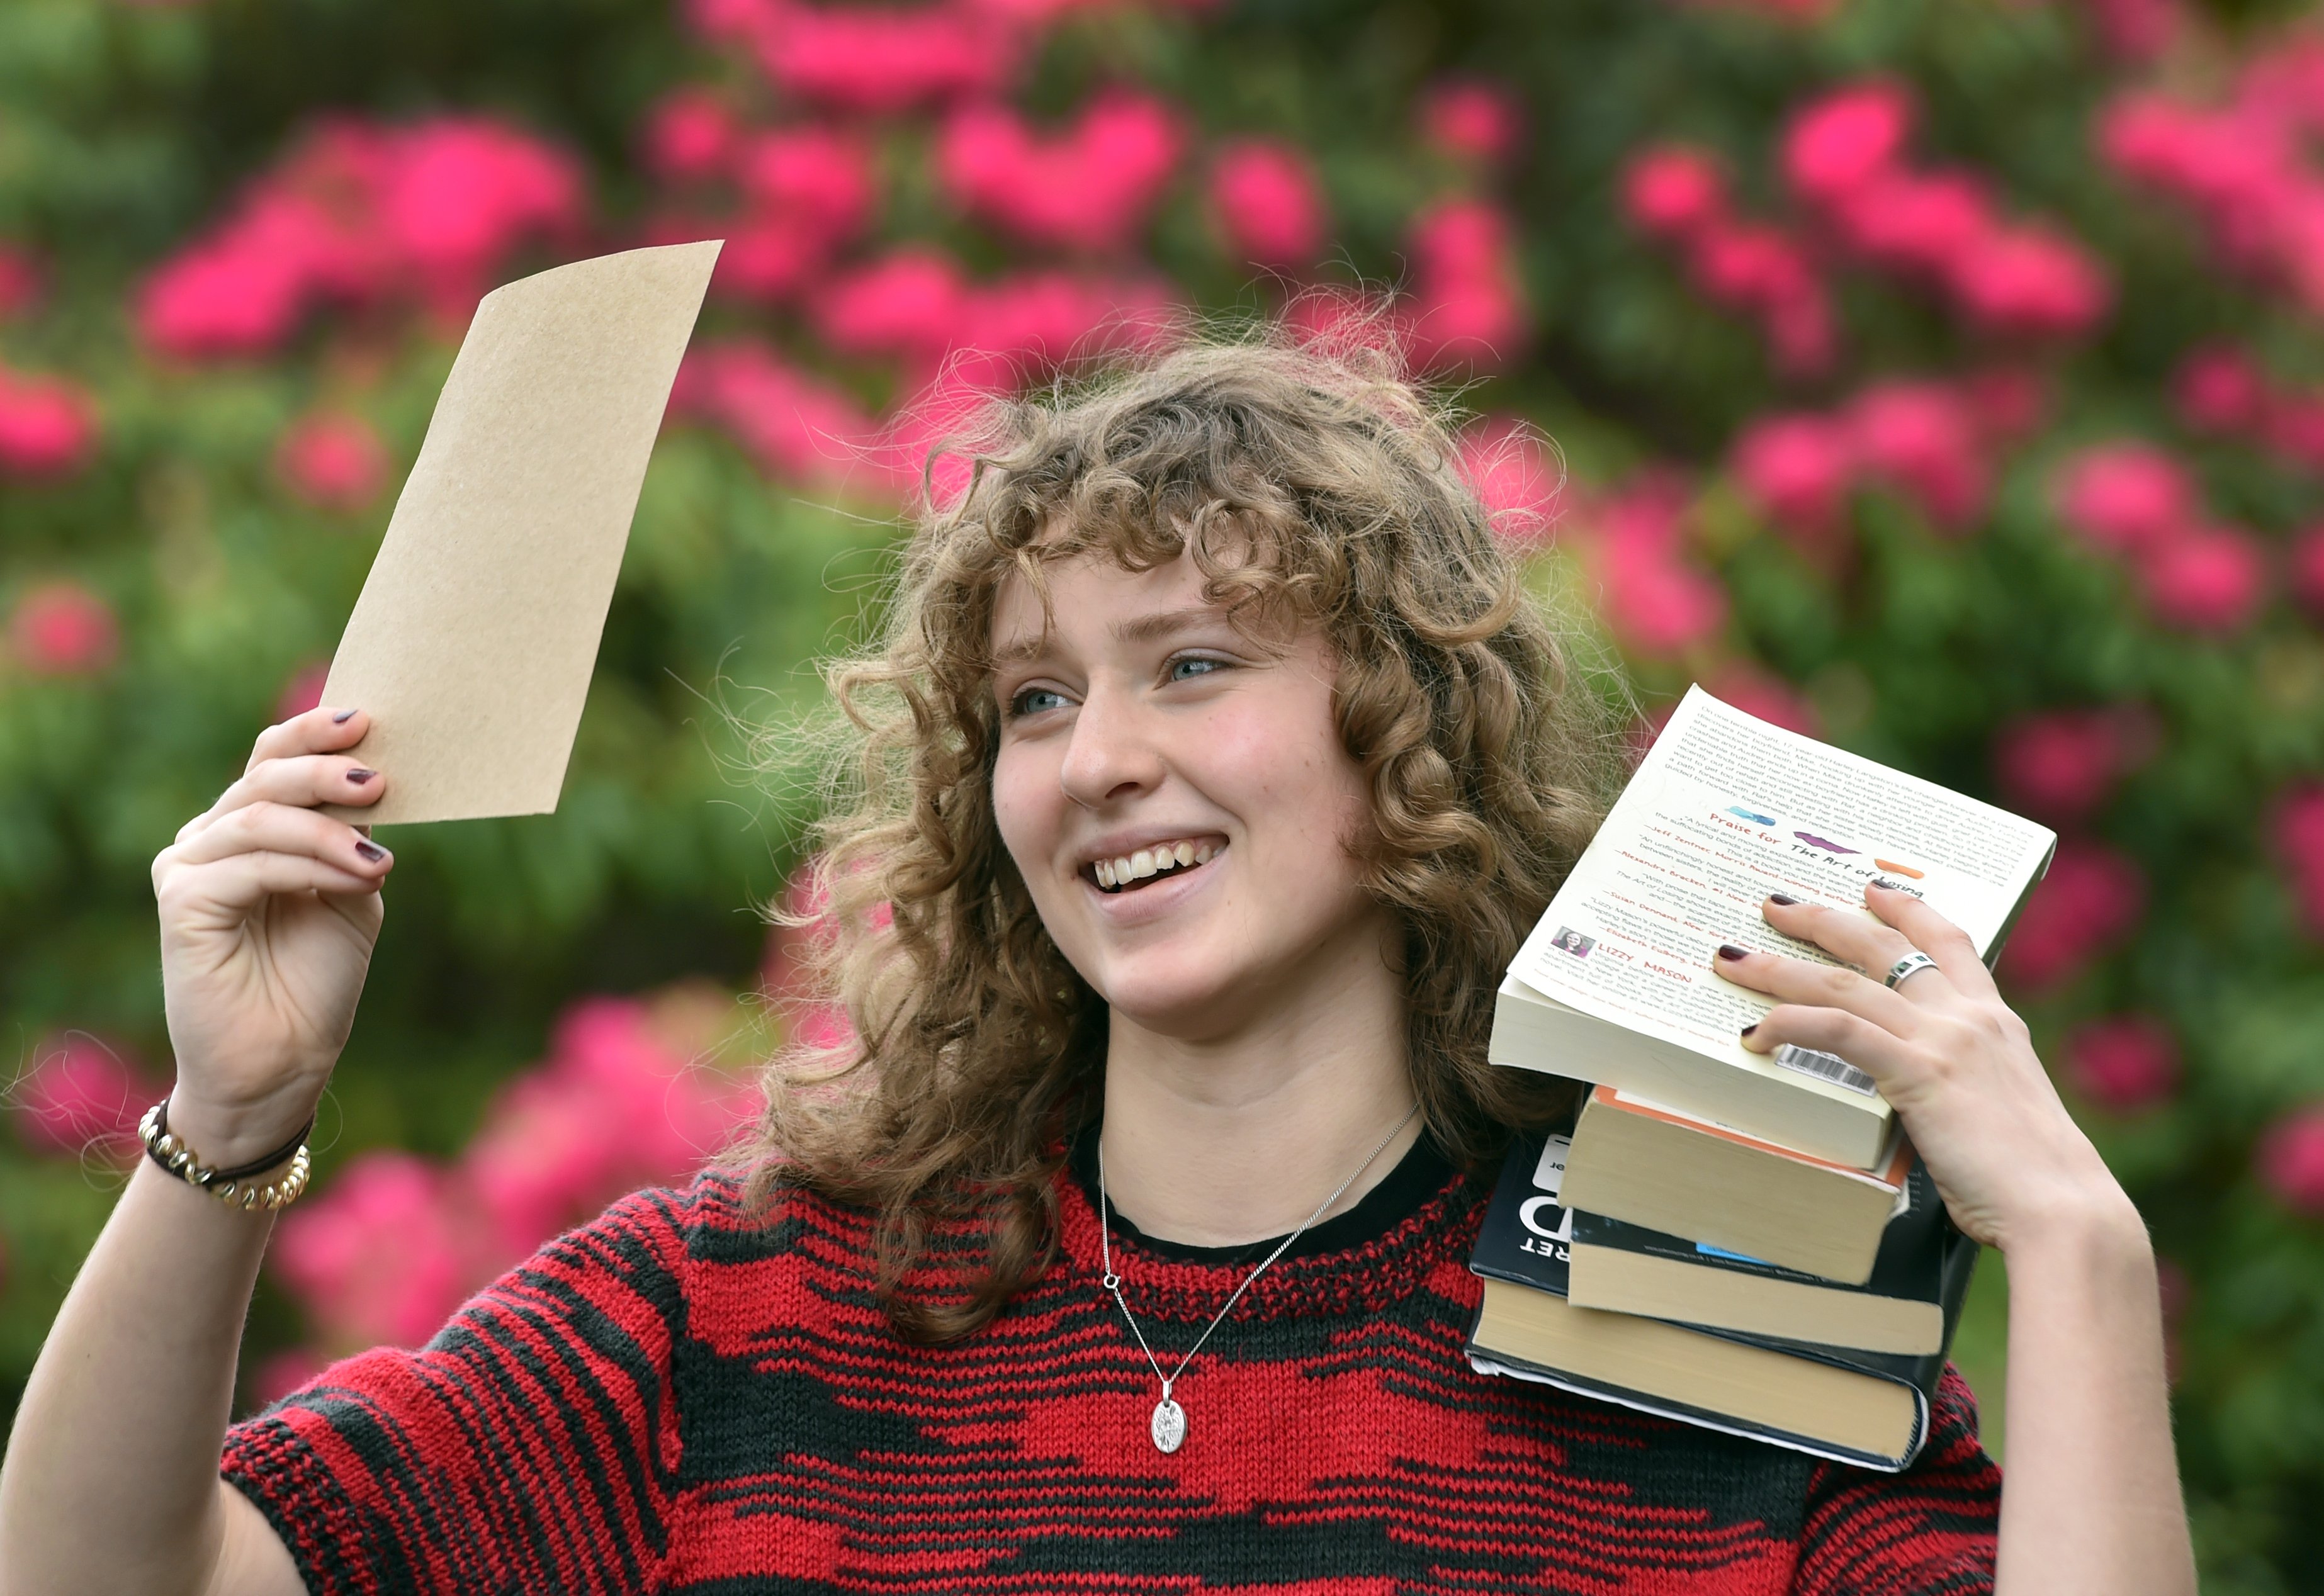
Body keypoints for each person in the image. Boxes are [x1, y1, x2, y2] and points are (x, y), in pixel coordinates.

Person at [0, 330, 2195, 1595]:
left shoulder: (1684, 1296)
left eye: (1195, 662)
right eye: (1036, 700)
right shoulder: (731, 1315)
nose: (1101, 762)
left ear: (1403, 725)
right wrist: (230, 1126)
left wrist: (2071, 1252)